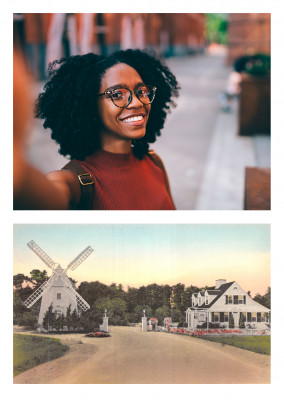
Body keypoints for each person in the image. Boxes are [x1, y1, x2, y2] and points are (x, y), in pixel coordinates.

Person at [14, 49, 180, 210]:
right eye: (117, 94)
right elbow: (37, 196)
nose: (137, 102)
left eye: (141, 91)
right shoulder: (73, 183)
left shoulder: (154, 163)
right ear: (90, 107)